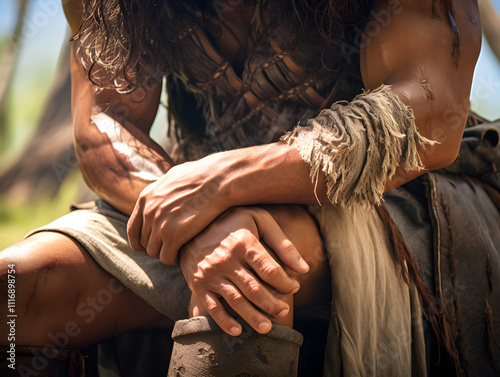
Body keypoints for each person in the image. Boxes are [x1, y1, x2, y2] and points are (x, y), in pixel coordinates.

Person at [1, 0, 492, 376]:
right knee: (15, 286)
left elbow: (428, 118)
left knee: (245, 282)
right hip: (189, 188)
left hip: (392, 195)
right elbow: (104, 121)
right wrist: (200, 219)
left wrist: (224, 182)